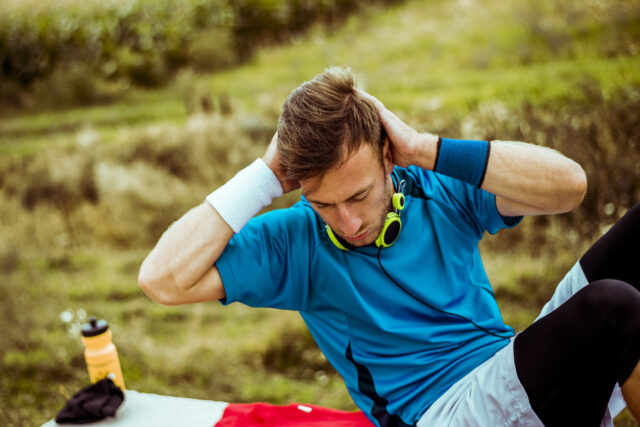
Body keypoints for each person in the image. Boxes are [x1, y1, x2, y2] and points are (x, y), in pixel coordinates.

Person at [138, 67, 640, 427]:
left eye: (358, 195)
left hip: (509, 368)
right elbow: (161, 280)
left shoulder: (433, 180)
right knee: (611, 308)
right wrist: (265, 177)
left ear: (387, 156)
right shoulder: (292, 241)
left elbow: (570, 187)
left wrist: (425, 148)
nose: (348, 221)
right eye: (324, 204)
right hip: (442, 415)